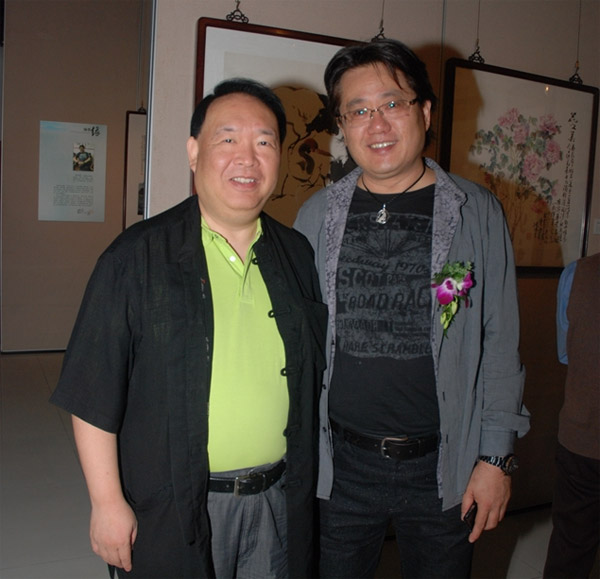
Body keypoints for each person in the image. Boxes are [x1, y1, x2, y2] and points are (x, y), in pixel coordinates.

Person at [50, 78, 326, 579]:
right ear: (194, 152)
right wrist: (107, 502)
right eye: (228, 138)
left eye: (264, 142)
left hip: (280, 500)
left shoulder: (296, 254)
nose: (248, 158)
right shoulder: (135, 257)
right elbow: (91, 392)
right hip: (174, 508)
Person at [294, 39, 530, 578]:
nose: (376, 124)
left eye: (392, 104)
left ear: (423, 112)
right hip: (339, 467)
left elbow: (499, 342)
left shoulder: (475, 213)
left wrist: (496, 458)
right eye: (358, 110)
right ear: (342, 125)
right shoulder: (316, 215)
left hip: (445, 466)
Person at [544, 252, 599, 578]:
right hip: (581, 439)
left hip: (582, 436)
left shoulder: (577, 274)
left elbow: (566, 353)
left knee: (570, 549)